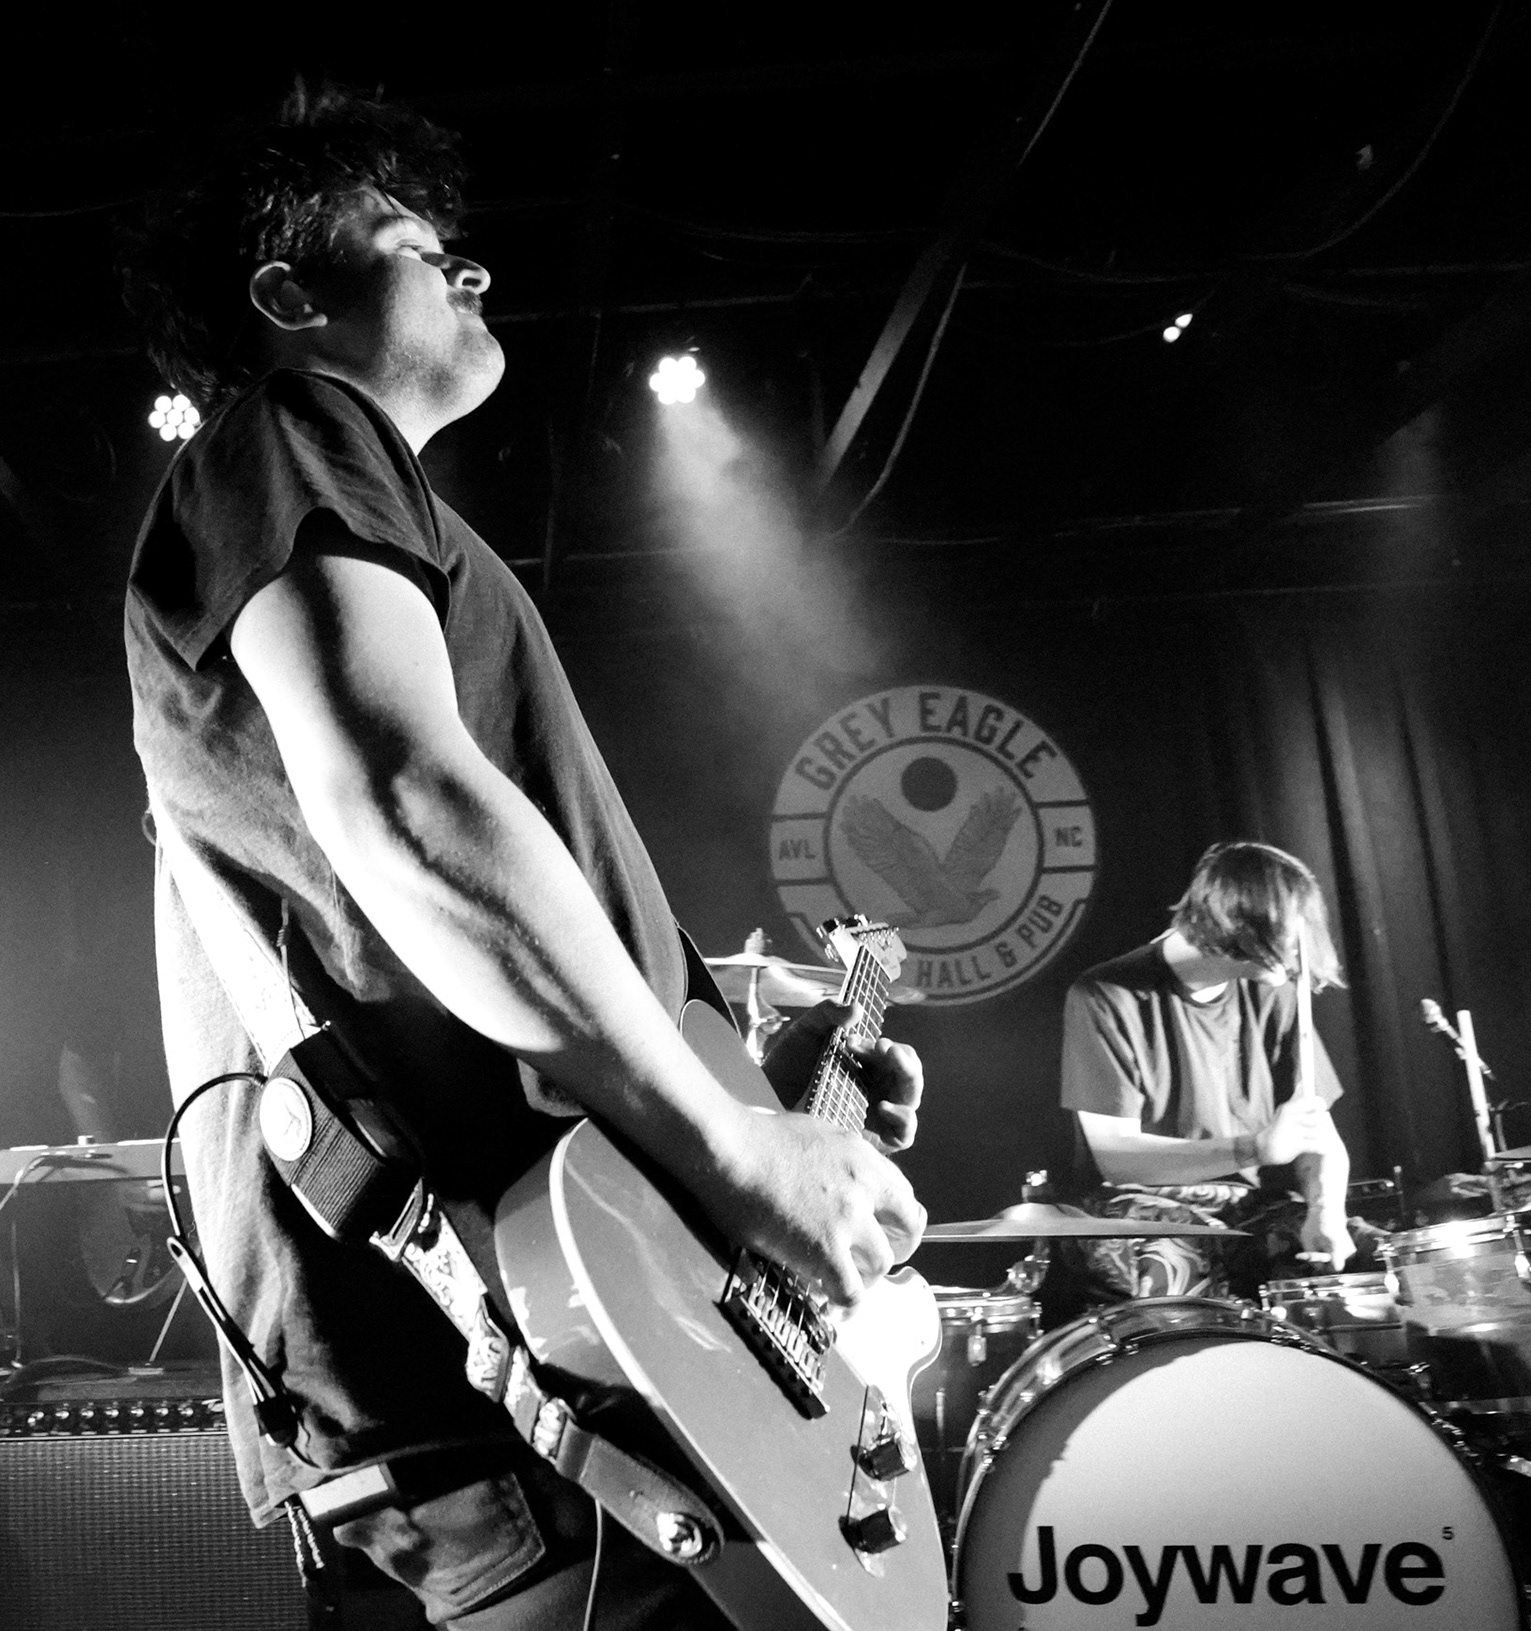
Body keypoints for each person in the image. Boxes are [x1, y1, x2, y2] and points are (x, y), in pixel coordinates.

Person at [120, 86, 925, 1629]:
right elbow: (408, 807)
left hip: (565, 1357)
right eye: (416, 245)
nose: (473, 268)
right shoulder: (291, 431)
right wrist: (731, 1144)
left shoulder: (361, 502)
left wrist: (751, 1084)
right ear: (288, 297)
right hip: (492, 1375)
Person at [1059, 840, 1358, 1302]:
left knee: (1371, 1264)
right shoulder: (1106, 995)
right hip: (1139, 1206)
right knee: (1177, 1264)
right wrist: (1253, 1149)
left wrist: (1327, 1211)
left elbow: (1319, 1138)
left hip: (1247, 1207)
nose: (1301, 951)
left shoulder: (1275, 993)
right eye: (1289, 932)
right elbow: (1115, 1157)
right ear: (1239, 924)